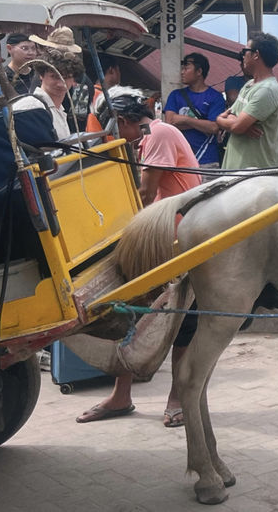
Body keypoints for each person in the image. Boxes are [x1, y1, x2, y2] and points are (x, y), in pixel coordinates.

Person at [77, 96, 201, 426]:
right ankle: (121, 395)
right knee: (131, 313)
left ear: (122, 119)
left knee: (180, 319)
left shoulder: (157, 134)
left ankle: (176, 398)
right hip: (159, 235)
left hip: (175, 236)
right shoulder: (148, 136)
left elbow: (145, 195)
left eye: (113, 128)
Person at [217, 32, 278, 169]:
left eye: (245, 51)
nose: (243, 56)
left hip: (253, 176)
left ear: (256, 54)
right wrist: (239, 125)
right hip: (235, 171)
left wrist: (237, 125)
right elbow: (223, 118)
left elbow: (235, 125)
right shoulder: (249, 85)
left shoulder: (267, 90)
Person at [164, 52, 225, 172]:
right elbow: (170, 122)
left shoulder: (215, 97)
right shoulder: (175, 95)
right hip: (179, 160)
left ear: (199, 72)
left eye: (186, 68)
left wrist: (185, 119)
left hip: (207, 160)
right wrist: (201, 124)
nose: (182, 72)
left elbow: (213, 127)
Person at [11, 42, 85, 140]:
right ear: (41, 76)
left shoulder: (59, 110)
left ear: (73, 80)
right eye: (54, 77)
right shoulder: (32, 106)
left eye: (66, 78)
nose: (60, 83)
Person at [0, 33, 37, 112]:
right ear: (9, 48)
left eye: (33, 48)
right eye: (24, 48)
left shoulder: (39, 75)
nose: (30, 52)